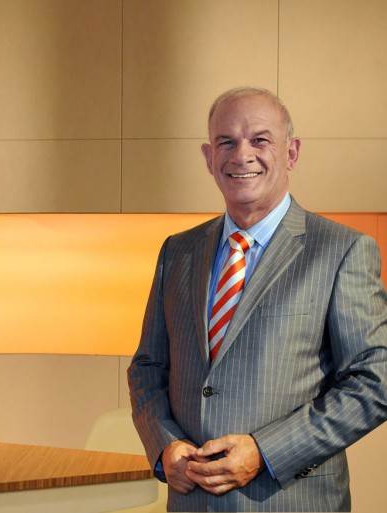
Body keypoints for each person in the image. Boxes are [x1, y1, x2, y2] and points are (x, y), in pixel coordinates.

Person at [127, 86, 387, 512]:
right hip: (191, 502)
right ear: (209, 157)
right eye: (226, 142)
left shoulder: (342, 251)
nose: (241, 155)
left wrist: (266, 452)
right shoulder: (177, 252)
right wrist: (164, 444)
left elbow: (376, 380)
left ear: (291, 152)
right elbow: (148, 366)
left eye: (260, 140)